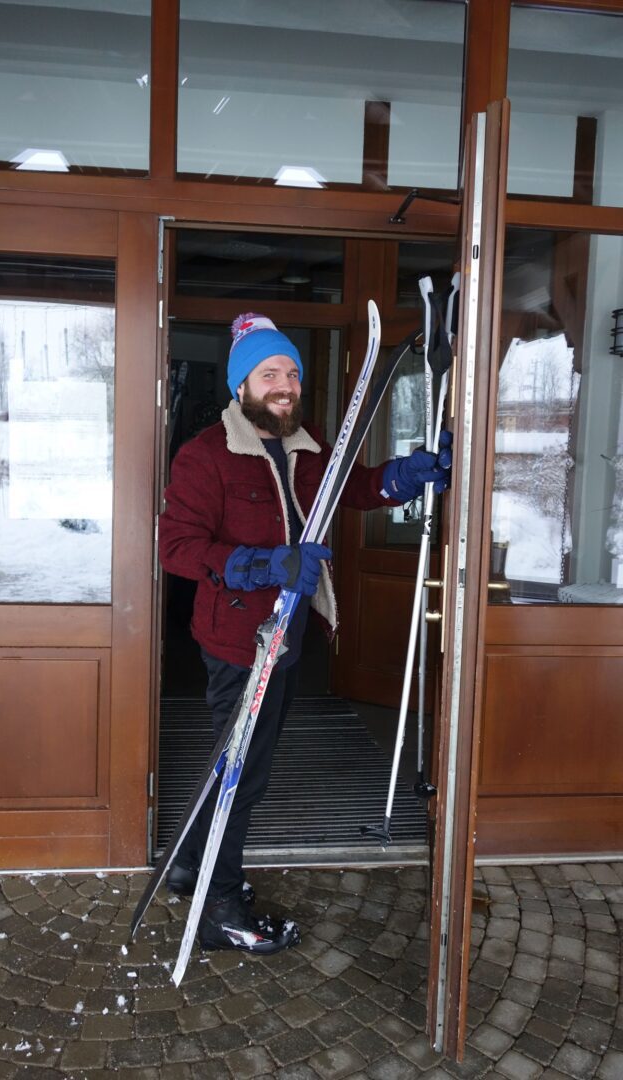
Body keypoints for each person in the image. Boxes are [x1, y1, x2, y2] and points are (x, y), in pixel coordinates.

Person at [158, 313, 452, 955]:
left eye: (291, 372)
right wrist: (262, 564)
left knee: (235, 763)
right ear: (241, 385)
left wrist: (406, 475)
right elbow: (176, 547)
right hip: (239, 642)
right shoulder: (206, 454)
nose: (285, 384)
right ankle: (220, 907)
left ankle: (189, 866)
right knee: (242, 774)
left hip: (287, 635)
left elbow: (355, 487)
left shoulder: (307, 442)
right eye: (270, 374)